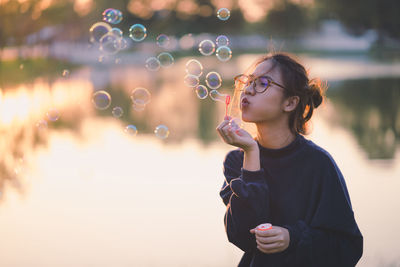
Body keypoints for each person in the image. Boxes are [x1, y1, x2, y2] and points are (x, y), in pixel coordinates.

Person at [216, 53, 363, 267]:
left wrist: (293, 238)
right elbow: (241, 236)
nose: (247, 89)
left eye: (262, 83)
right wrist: (251, 153)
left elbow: (347, 247)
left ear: (290, 103)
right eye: (248, 82)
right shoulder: (236, 160)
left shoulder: (318, 163)